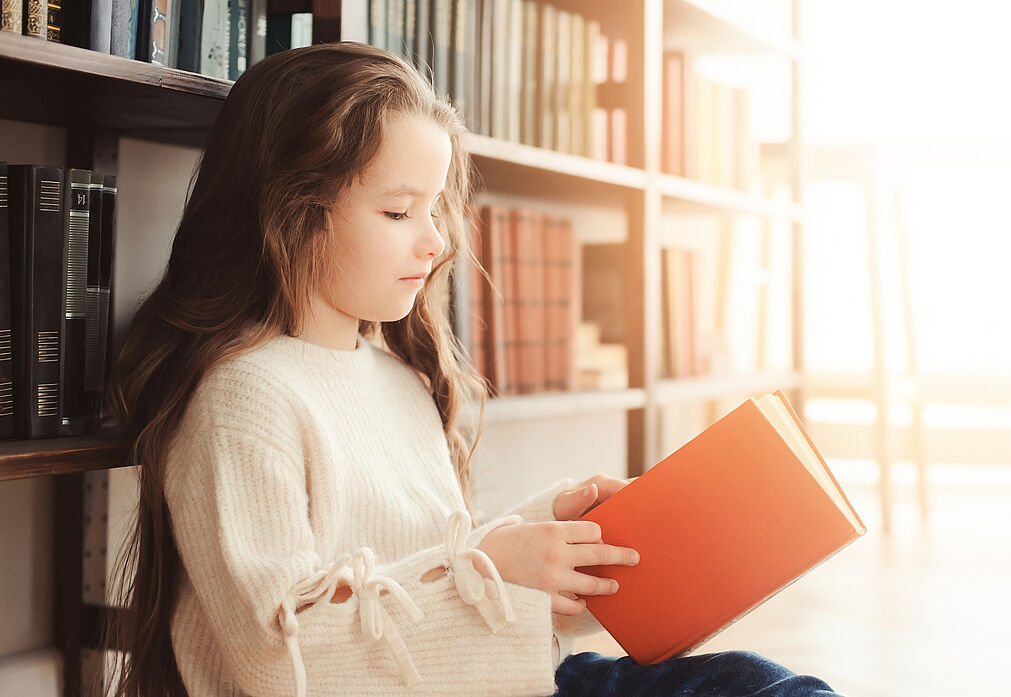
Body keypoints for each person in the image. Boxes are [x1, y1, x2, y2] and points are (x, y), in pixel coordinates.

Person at [106, 41, 842, 697]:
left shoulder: (393, 377)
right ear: (288, 210)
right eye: (399, 212)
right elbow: (277, 661)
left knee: (768, 685)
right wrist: (498, 569)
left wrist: (548, 536)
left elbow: (422, 569)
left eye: (436, 211)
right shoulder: (243, 398)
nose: (435, 243)